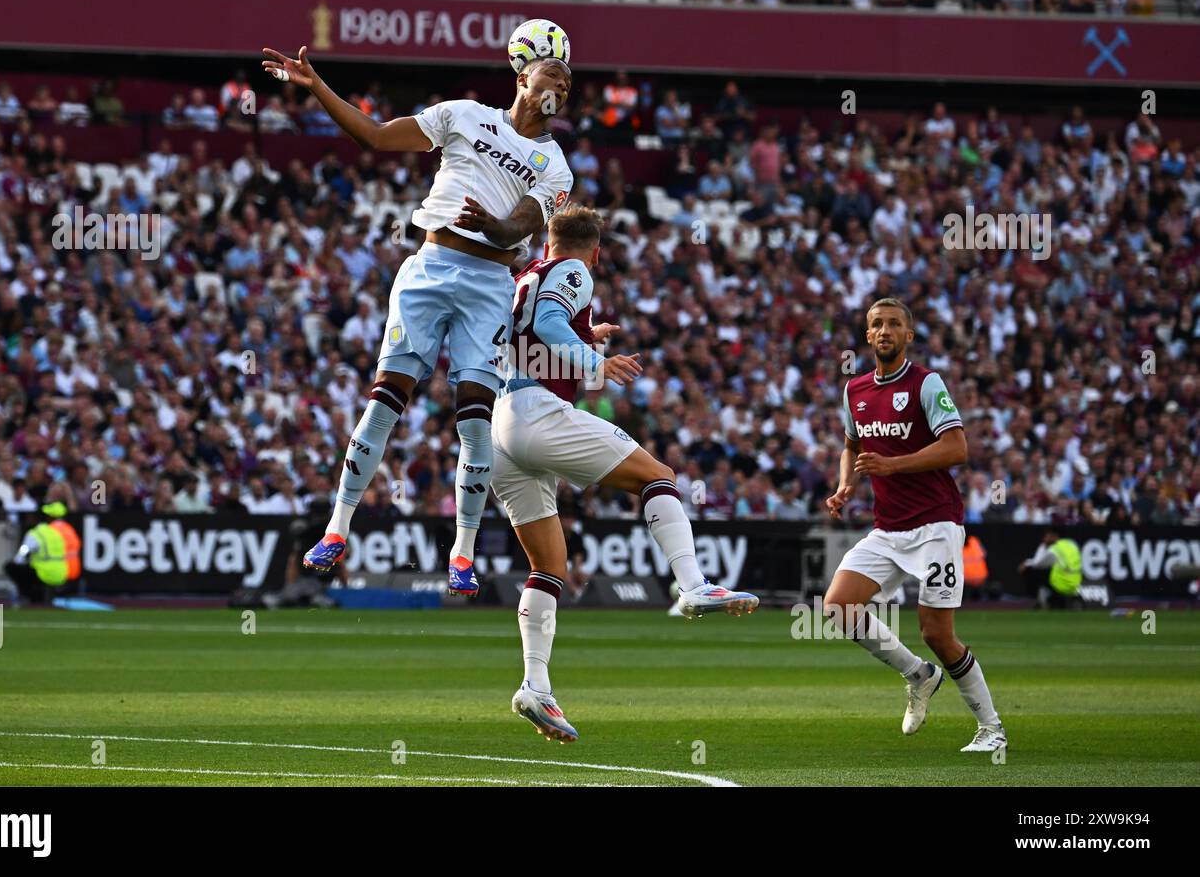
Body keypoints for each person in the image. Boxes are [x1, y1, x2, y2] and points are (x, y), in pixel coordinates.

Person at [262, 43, 574, 597]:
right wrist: (317, 88)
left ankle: (462, 553)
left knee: (475, 421)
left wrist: (496, 225)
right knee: (386, 398)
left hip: (489, 285)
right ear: (523, 78)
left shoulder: (556, 167)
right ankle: (337, 529)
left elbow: (517, 228)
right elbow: (375, 137)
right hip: (429, 267)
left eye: (568, 85)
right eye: (552, 74)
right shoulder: (463, 114)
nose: (560, 86)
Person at [490, 204, 758, 742]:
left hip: (501, 427)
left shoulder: (524, 276)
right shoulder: (573, 271)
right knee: (657, 476)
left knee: (549, 565)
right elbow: (547, 325)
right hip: (539, 412)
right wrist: (595, 363)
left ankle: (535, 687)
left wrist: (585, 339)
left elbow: (531, 336)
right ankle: (693, 585)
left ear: (547, 240)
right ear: (594, 250)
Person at [824, 298, 1006, 754]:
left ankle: (992, 728)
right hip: (888, 529)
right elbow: (851, 444)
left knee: (936, 633)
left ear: (909, 335)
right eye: (876, 324)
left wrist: (893, 465)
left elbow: (957, 448)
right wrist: (846, 484)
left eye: (894, 324)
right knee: (837, 607)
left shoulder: (927, 384)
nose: (884, 330)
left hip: (937, 525)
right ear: (867, 336)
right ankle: (918, 674)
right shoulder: (855, 390)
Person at [5, 503, 71, 604]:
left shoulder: (35, 533)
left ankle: (31, 596)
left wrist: (17, 561)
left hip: (44, 574)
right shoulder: (56, 533)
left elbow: (23, 551)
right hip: (62, 573)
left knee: (10, 567)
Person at [1020, 529, 1082, 609]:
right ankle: (1046, 598)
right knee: (1047, 570)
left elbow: (1038, 563)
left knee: (1031, 571)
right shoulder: (1071, 545)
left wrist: (1042, 545)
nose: (1044, 538)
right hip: (1075, 583)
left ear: (1054, 536)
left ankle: (1039, 602)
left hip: (1062, 583)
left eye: (1047, 536)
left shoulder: (1054, 549)